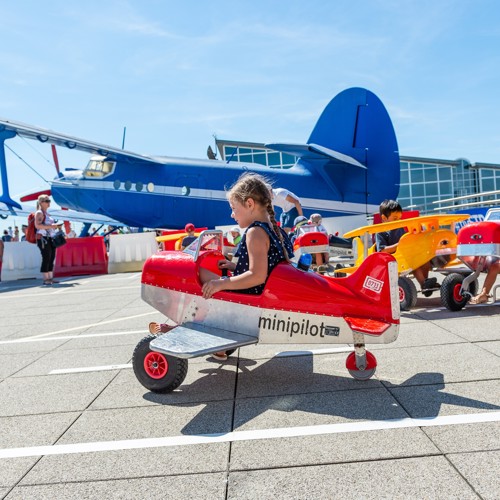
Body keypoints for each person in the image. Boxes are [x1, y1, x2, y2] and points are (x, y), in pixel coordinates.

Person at [149, 173, 294, 360]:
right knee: (208, 276)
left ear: (250, 204)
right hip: (262, 291)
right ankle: (210, 336)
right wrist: (234, 266)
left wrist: (222, 283)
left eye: (234, 208)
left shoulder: (255, 232)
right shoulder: (274, 228)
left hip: (251, 295)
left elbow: (257, 276)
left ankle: (187, 328)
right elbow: (267, 267)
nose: (232, 214)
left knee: (194, 273)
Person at [375, 199, 436, 291]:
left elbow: (406, 240)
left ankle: (426, 282)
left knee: (424, 258)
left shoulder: (400, 228)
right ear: (384, 218)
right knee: (412, 262)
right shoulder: (380, 231)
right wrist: (399, 245)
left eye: (400, 218)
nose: (398, 221)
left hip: (404, 256)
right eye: (395, 218)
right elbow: (382, 250)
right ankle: (424, 284)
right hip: (391, 260)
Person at [34, 195, 62, 286]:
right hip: (43, 238)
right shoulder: (39, 213)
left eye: (49, 200)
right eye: (46, 201)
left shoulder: (46, 214)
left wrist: (55, 226)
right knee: (46, 257)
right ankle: (46, 279)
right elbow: (38, 225)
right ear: (41, 202)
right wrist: (51, 226)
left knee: (51, 257)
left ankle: (50, 278)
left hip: (50, 238)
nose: (48, 202)